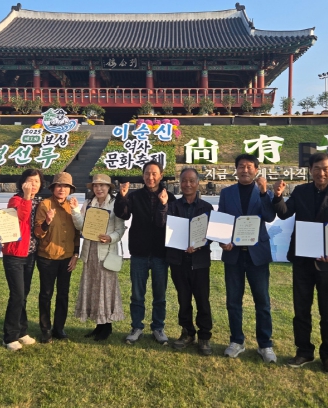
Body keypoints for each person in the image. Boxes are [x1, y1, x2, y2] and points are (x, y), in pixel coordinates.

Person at [272, 152, 328, 376]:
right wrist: (277, 197)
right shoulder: (301, 192)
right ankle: (304, 351)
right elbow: (285, 213)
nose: (321, 173)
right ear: (310, 170)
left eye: (325, 168)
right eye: (316, 168)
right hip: (303, 262)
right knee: (301, 310)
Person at [218, 154, 277, 363]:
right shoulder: (226, 193)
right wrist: (222, 241)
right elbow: (222, 221)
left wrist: (264, 193)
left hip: (257, 255)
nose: (245, 170)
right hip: (233, 254)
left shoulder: (264, 191)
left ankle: (265, 344)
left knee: (262, 301)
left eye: (249, 166)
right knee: (233, 301)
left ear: (256, 170)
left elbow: (269, 216)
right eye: (241, 166)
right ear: (236, 170)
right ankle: (237, 341)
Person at [114, 160, 176, 346]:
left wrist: (163, 204)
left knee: (160, 295)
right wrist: (122, 197)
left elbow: (162, 223)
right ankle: (136, 327)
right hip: (139, 252)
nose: (151, 177)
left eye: (154, 173)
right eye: (147, 173)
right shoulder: (135, 196)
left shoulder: (170, 197)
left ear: (161, 175)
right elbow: (123, 214)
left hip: (160, 253)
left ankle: (158, 327)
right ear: (143, 176)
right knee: (137, 295)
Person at [156, 167, 214, 356]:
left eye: (191, 181)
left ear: (198, 183)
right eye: (184, 181)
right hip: (178, 260)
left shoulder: (206, 207)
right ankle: (187, 332)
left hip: (200, 261)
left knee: (202, 300)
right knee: (183, 299)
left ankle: (204, 336)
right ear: (179, 183)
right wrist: (163, 206)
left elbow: (211, 234)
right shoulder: (172, 206)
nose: (187, 184)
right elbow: (163, 227)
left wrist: (200, 244)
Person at [71, 174, 126, 341]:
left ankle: (106, 326)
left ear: (109, 187)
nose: (99, 189)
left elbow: (120, 229)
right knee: (94, 288)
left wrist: (110, 238)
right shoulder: (89, 203)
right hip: (90, 252)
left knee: (106, 289)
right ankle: (98, 325)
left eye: (102, 185)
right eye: (96, 186)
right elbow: (80, 226)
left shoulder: (115, 204)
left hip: (106, 252)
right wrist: (74, 210)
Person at [1, 168, 46, 351]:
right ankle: (9, 336)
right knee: (17, 295)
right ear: (22, 183)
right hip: (14, 254)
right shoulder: (16, 200)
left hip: (30, 254)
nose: (33, 184)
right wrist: (26, 197)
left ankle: (21, 331)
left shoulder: (39, 201)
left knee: (23, 294)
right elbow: (22, 216)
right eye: (30, 181)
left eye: (37, 181)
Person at [33, 172, 80, 343]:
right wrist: (47, 221)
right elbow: (38, 233)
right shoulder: (45, 205)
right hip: (47, 257)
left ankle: (59, 328)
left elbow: (77, 232)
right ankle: (45, 329)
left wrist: (76, 254)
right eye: (59, 186)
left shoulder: (72, 206)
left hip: (67, 257)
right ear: (53, 188)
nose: (62, 189)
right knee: (46, 294)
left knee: (63, 294)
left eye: (66, 186)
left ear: (70, 190)